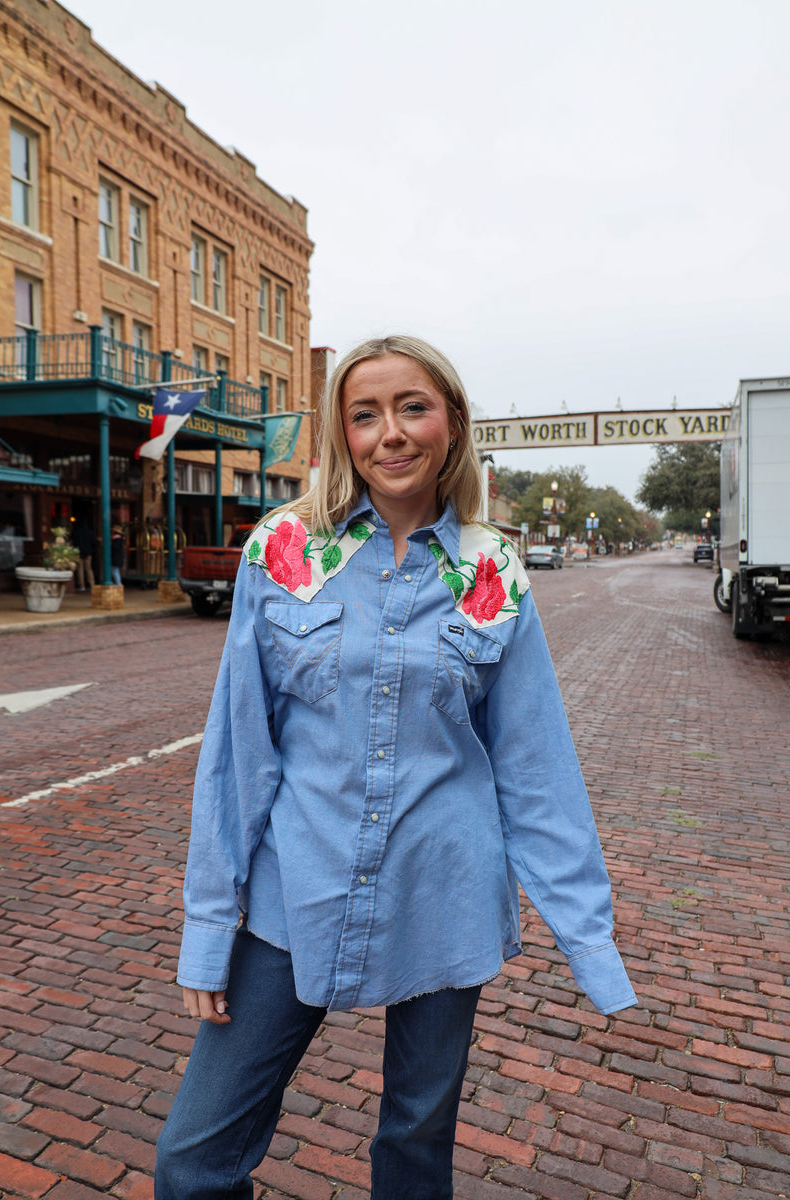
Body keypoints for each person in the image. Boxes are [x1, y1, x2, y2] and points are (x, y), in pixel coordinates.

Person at [155, 335, 636, 1200]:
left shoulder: (490, 567)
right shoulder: (286, 549)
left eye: (412, 407)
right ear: (343, 434)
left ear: (450, 422)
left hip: (444, 890)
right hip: (289, 891)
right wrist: (205, 927)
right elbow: (238, 751)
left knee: (416, 1150)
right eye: (364, 414)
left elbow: (535, 766)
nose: (391, 434)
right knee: (193, 1160)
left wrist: (589, 942)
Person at [73, 521, 97, 592]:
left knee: (80, 569)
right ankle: (92, 585)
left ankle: (82, 586)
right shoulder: (90, 533)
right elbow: (95, 543)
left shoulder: (76, 533)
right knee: (89, 569)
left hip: (79, 553)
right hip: (88, 553)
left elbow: (73, 542)